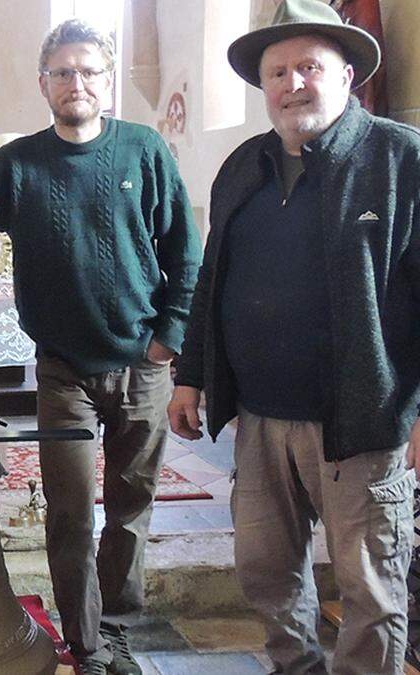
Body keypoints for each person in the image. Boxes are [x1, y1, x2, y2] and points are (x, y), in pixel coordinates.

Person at [0, 19, 200, 675]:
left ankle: (114, 628)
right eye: (63, 72)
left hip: (141, 368)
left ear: (107, 80)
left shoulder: (144, 150)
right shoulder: (20, 163)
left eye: (88, 70)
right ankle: (86, 645)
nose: (76, 82)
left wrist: (167, 339)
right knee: (69, 514)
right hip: (64, 373)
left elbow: (187, 252)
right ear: (43, 83)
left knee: (130, 508)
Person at [167, 1, 420, 672]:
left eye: (309, 66)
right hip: (260, 417)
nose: (291, 83)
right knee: (265, 571)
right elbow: (210, 279)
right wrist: (191, 374)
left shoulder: (400, 159)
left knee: (369, 584)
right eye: (277, 71)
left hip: (363, 421)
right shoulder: (242, 168)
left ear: (347, 74)